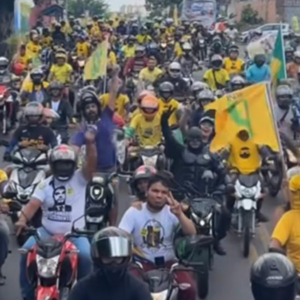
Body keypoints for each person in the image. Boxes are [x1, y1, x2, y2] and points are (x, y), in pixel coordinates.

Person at [16, 142, 96, 300]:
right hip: (46, 232)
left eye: (67, 163)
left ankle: (83, 294)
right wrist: (21, 220)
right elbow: (32, 205)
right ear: (52, 165)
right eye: (60, 163)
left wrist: (90, 143)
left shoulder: (81, 178)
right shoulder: (45, 184)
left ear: (74, 164)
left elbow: (92, 162)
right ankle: (27, 294)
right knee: (26, 252)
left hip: (75, 233)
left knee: (86, 256)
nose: (63, 167)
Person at [119, 173, 197, 300]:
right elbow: (121, 235)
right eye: (155, 191)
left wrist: (179, 214)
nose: (159, 195)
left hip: (169, 264)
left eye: (163, 192)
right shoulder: (134, 211)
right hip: (140, 264)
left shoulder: (172, 212)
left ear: (168, 195)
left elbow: (192, 232)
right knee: (125, 288)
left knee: (189, 288)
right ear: (147, 192)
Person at [161, 111, 228, 254]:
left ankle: (216, 240)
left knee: (224, 213)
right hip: (183, 194)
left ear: (202, 139)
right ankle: (170, 244)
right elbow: (169, 137)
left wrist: (225, 186)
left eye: (197, 139)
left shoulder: (210, 155)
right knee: (171, 218)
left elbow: (222, 172)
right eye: (192, 138)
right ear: (187, 139)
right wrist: (163, 120)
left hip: (207, 195)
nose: (195, 142)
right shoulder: (180, 151)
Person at [70, 67, 121, 225]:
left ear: (97, 107)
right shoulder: (82, 130)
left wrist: (114, 76)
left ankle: (113, 228)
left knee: (114, 200)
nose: (90, 109)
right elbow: (73, 147)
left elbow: (113, 93)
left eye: (93, 106)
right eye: (87, 107)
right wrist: (66, 153)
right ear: (83, 111)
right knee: (84, 200)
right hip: (91, 173)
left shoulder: (107, 116)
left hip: (110, 170)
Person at [67, 227, 152, 300]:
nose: (113, 263)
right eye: (108, 258)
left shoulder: (138, 289)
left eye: (118, 258)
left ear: (126, 257)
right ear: (98, 257)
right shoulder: (83, 288)